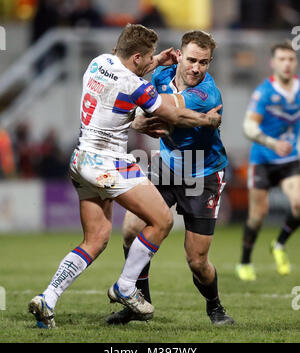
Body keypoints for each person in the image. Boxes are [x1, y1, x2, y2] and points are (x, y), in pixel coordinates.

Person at [28, 24, 222, 328]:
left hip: (81, 160)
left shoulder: (98, 62)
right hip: (109, 163)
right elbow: (173, 114)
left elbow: (129, 91)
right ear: (136, 58)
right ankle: (126, 287)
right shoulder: (137, 85)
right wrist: (208, 119)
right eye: (147, 59)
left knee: (96, 239)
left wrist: (155, 63)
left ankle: (47, 298)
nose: (151, 63)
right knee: (162, 221)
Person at [105, 30, 235, 326]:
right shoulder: (162, 74)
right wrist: (137, 117)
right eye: (190, 60)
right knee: (131, 229)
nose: (196, 68)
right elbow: (131, 84)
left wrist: (137, 116)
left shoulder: (206, 94)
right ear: (179, 55)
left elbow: (161, 107)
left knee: (197, 261)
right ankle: (138, 302)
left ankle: (215, 307)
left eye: (203, 63)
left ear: (210, 62)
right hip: (166, 165)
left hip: (204, 174)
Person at [235, 41, 300, 281]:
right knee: (258, 215)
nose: (287, 63)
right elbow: (248, 127)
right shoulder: (264, 92)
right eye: (282, 59)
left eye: (291, 59)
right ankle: (244, 261)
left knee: (299, 204)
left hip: (290, 159)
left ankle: (279, 244)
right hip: (263, 159)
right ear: (273, 63)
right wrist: (273, 144)